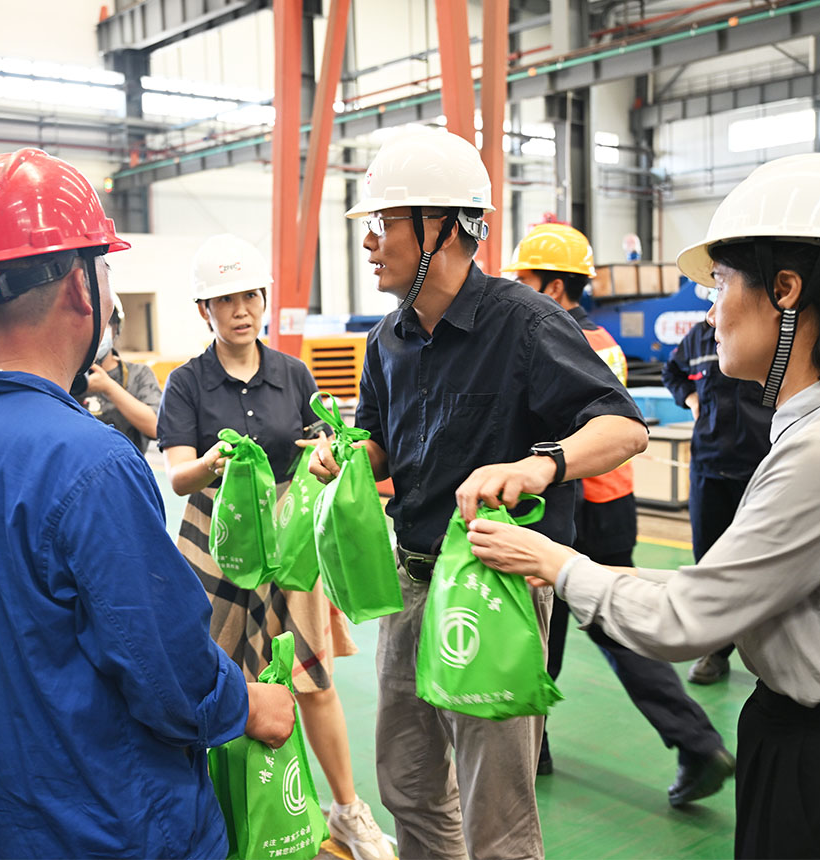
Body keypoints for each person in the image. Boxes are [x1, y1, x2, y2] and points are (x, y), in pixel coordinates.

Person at [466, 152, 820, 859]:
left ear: (786, 289)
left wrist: (552, 561)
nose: (708, 308)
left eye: (721, 283)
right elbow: (720, 589)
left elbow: (686, 620)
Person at [0, 149, 295, 859]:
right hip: (114, 824)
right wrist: (247, 704)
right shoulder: (91, 462)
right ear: (82, 284)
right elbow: (168, 673)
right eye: (105, 267)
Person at [311, 127, 648, 860]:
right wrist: (350, 456)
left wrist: (539, 465)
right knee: (407, 784)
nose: (368, 242)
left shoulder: (527, 324)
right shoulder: (387, 339)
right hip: (411, 580)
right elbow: (378, 440)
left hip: (495, 587)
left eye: (382, 222)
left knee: (497, 813)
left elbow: (623, 428)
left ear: (438, 227)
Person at [157, 233, 393, 860]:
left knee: (313, 679)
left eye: (250, 296)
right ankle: (214, 819)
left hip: (290, 538)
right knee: (214, 684)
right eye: (224, 300)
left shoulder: (292, 373)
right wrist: (213, 461)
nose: (241, 310)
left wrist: (327, 457)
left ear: (263, 299)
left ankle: (347, 810)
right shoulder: (186, 383)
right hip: (218, 539)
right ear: (204, 310)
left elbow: (318, 446)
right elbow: (178, 474)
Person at [504, 224, 733, 804]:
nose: (516, 290)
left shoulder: (550, 338)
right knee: (605, 623)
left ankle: (533, 744)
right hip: (613, 499)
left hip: (571, 503)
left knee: (544, 626)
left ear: (554, 286)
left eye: (524, 280)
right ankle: (694, 741)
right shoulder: (600, 336)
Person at [662, 318, 772, 684]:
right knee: (708, 560)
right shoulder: (698, 337)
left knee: (765, 564)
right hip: (708, 468)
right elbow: (672, 372)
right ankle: (716, 648)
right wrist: (690, 397)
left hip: (760, 469)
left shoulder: (768, 333)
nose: (713, 309)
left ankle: (774, 653)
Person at [83, 294, 161, 453]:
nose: (95, 330)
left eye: (103, 322)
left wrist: (109, 388)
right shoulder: (65, 377)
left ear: (115, 328)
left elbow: (157, 427)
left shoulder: (138, 374)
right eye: (88, 322)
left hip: (128, 466)